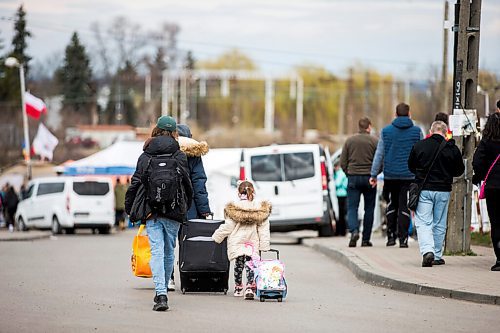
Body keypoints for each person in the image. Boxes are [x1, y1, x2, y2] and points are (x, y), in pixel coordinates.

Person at [125, 115, 193, 312]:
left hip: (151, 211)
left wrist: (130, 209)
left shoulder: (146, 155)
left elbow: (135, 183)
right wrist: (184, 207)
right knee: (169, 251)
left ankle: (160, 293)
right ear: (174, 133)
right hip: (173, 210)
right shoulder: (179, 155)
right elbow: (187, 184)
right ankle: (163, 288)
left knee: (156, 250)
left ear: (155, 131)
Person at [408, 121, 465, 267]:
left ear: (431, 130)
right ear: (446, 132)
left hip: (424, 189)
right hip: (443, 190)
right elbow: (459, 170)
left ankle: (428, 251)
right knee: (439, 223)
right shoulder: (452, 149)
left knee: (424, 222)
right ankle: (438, 255)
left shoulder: (420, 146)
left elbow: (411, 166)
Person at [370, 103, 423, 248]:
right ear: (409, 114)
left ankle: (390, 237)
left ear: (395, 114)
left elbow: (379, 154)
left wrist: (374, 174)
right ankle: (403, 239)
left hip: (390, 176)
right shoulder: (417, 132)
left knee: (392, 204)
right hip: (409, 176)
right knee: (405, 207)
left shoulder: (386, 131)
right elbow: (421, 154)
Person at [168, 124, 212, 291]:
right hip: (190, 208)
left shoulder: (168, 152)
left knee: (169, 243)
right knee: (189, 244)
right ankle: (189, 277)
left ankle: (168, 278)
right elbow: (199, 183)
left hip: (169, 206)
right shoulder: (194, 156)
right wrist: (204, 209)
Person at [212, 180, 271, 300]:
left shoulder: (235, 208)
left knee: (238, 265)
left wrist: (217, 236)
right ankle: (250, 287)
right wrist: (264, 245)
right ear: (253, 192)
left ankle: (238, 287)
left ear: (239, 194)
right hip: (252, 242)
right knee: (251, 264)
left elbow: (228, 227)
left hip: (237, 241)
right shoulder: (259, 209)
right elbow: (263, 229)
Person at [340, 117, 378, 247]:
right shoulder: (374, 141)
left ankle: (354, 231)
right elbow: (380, 159)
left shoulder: (349, 141)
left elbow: (342, 161)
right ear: (369, 127)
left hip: (353, 177)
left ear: (359, 127)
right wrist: (375, 175)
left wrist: (348, 173)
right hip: (369, 178)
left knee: (352, 207)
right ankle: (366, 239)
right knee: (369, 209)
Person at [472, 113, 500, 271]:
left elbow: (477, 161)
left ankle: (499, 260)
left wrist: (481, 176)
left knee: (496, 223)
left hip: (493, 187)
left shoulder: (487, 141)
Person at [333, 161, 347, 236]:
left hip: (341, 194)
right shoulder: (340, 173)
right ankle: (342, 231)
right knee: (341, 214)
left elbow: (337, 183)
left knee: (341, 214)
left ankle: (342, 231)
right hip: (342, 194)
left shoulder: (340, 173)